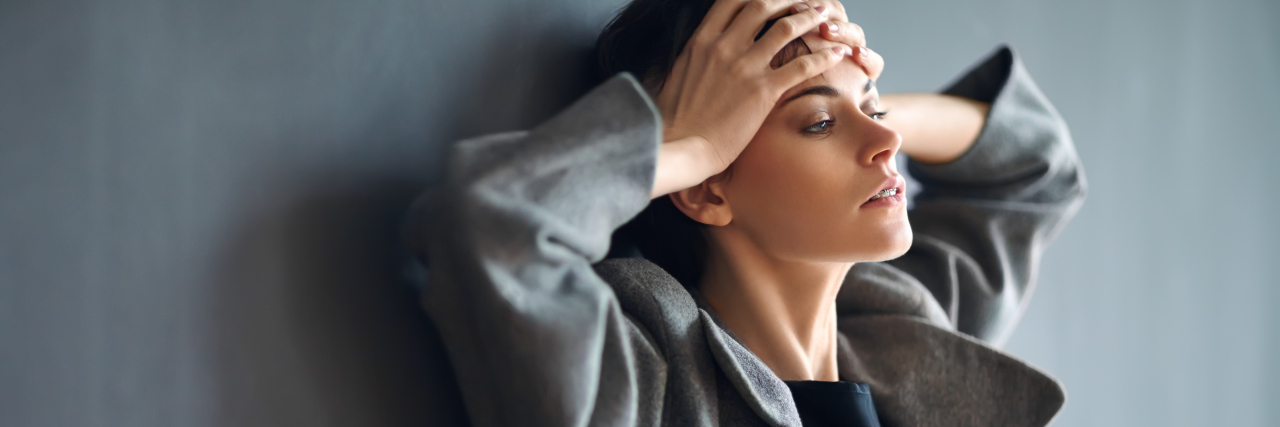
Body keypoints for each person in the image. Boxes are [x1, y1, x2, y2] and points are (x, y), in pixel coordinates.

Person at [405, 0, 1086, 425]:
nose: (889, 144)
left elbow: (1032, 171)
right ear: (705, 188)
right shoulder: (649, 381)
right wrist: (690, 142)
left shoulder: (905, 339)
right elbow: (491, 224)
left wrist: (841, 81)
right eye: (819, 126)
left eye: (875, 114)